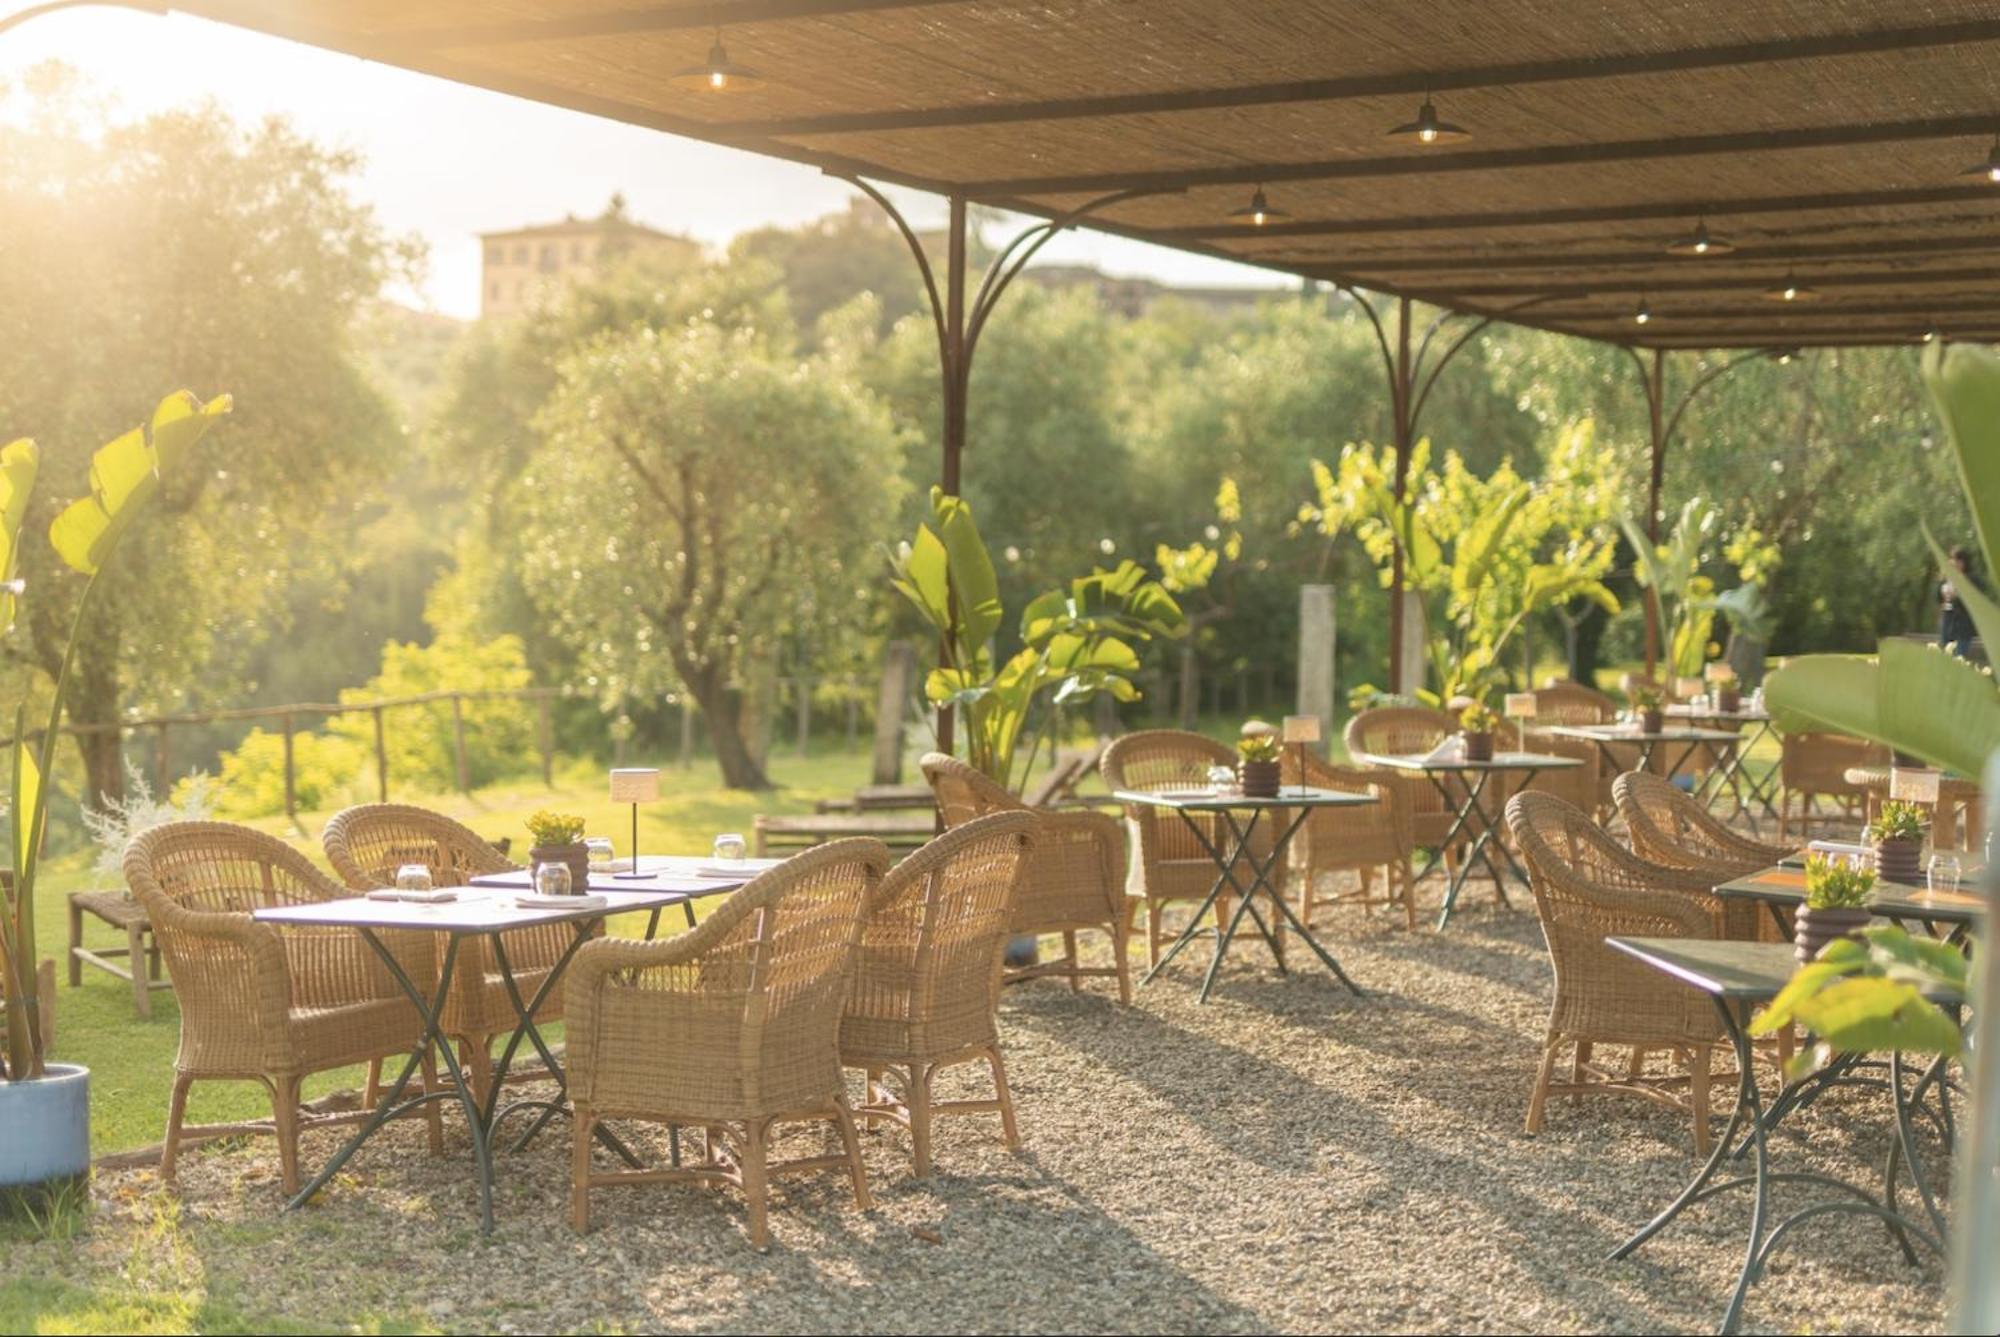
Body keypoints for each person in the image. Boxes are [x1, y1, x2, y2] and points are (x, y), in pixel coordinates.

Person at [1940, 546, 1977, 657]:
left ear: (1962, 562)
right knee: (1945, 657)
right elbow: (1939, 596)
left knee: (1959, 658)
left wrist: (1955, 596)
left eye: (1954, 559)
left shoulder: (1971, 579)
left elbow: (1969, 600)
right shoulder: (1948, 578)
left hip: (1962, 628)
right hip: (1948, 624)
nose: (1952, 562)